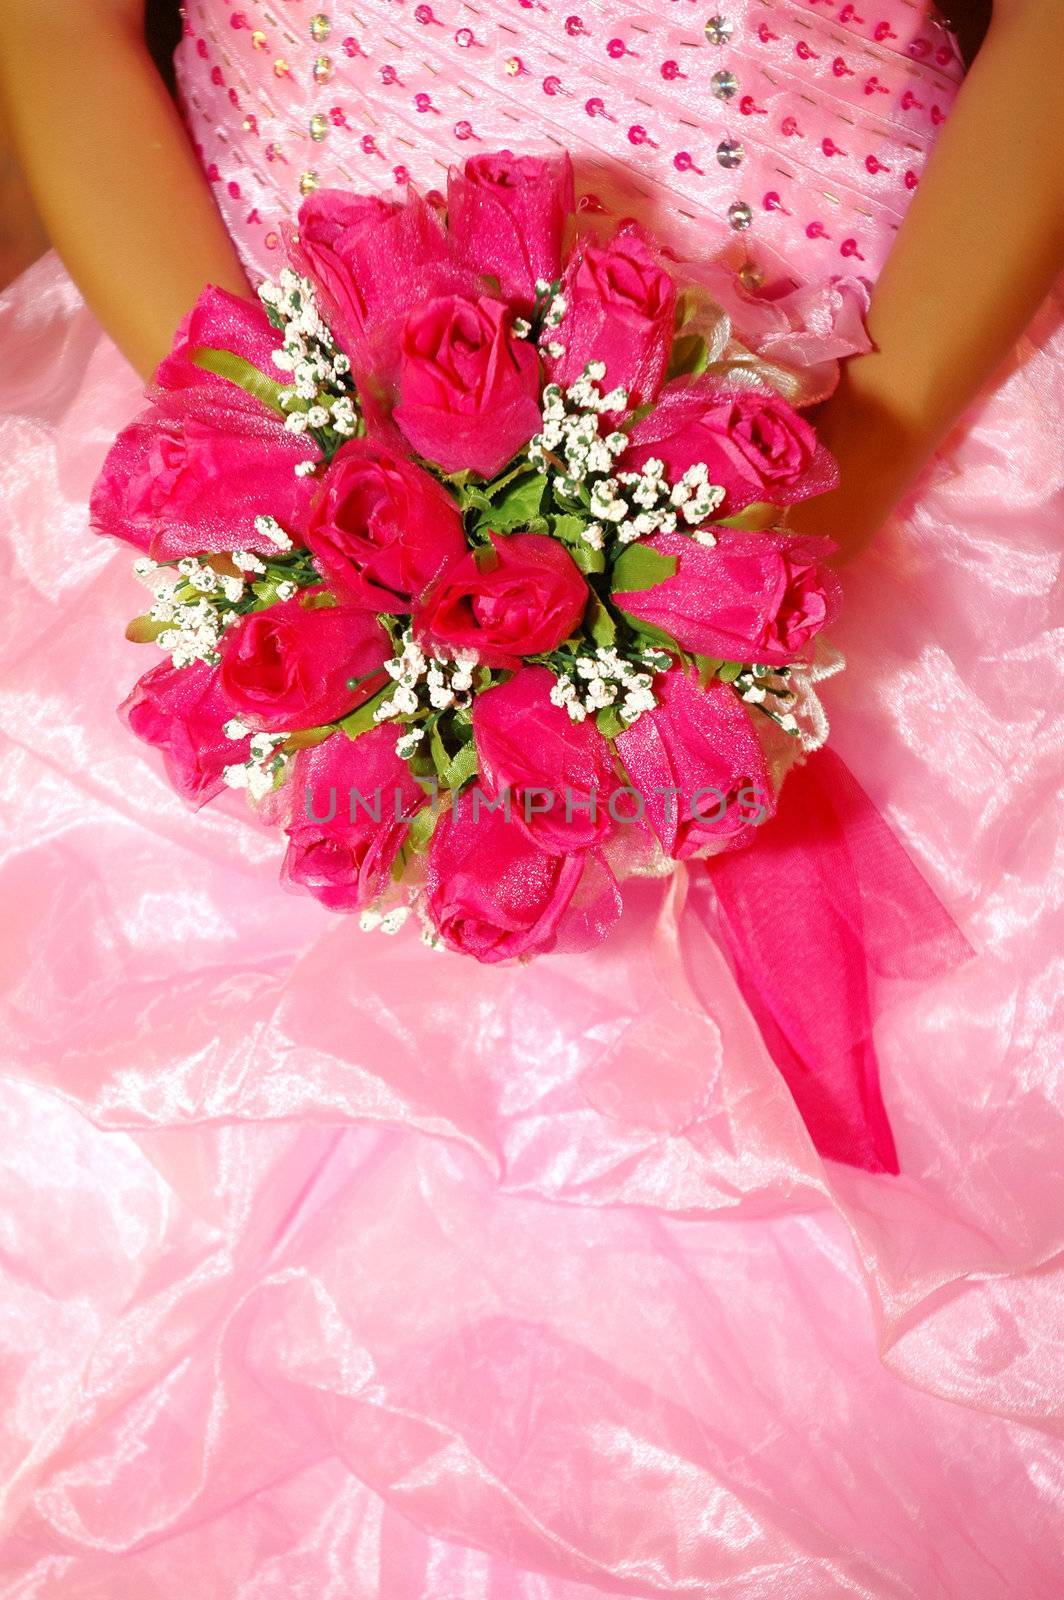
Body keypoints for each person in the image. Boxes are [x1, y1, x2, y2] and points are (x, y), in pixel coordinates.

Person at [0, 2, 1061, 1594]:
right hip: (250, 400)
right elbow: (58, 30)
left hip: (875, 391)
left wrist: (819, 498)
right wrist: (293, 471)